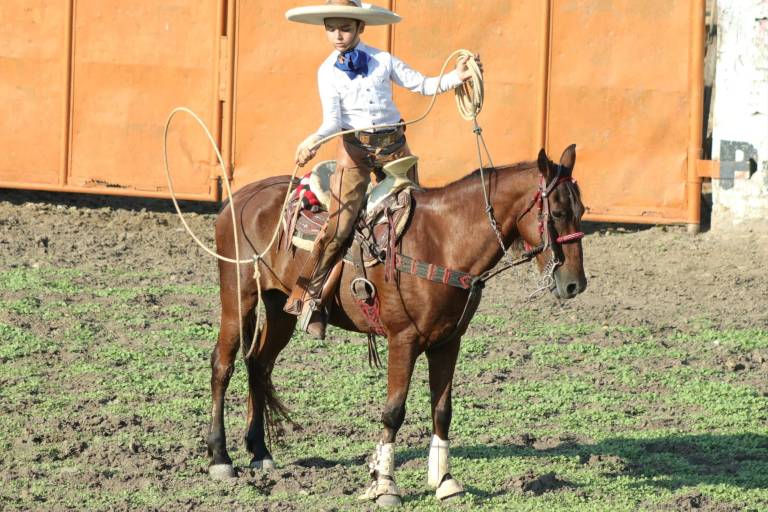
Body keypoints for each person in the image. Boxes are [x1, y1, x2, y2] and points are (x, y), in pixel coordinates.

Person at [283, 0, 482, 336]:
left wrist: (458, 77)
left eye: (345, 28)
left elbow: (421, 84)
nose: (338, 35)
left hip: (394, 150)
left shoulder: (383, 60)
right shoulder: (327, 71)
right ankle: (310, 297)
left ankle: (422, 289)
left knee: (418, 214)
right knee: (340, 225)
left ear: (361, 28)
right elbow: (333, 121)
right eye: (331, 28)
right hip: (355, 154)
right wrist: (314, 140)